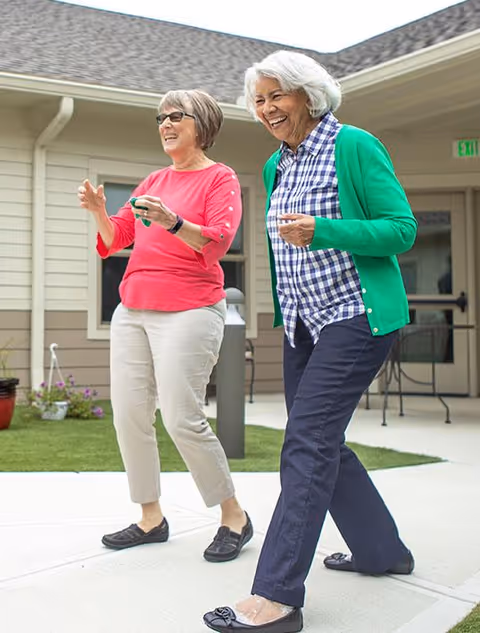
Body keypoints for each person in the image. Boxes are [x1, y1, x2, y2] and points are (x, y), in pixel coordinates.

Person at [203, 51, 417, 633]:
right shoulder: (276, 165)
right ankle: (381, 552)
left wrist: (326, 229)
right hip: (303, 324)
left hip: (356, 316)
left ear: (308, 95)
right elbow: (284, 250)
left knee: (305, 444)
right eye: (261, 99)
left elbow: (402, 229)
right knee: (323, 442)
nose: (267, 108)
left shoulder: (355, 146)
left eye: (279, 96)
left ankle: (277, 597)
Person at [78, 89, 253, 563]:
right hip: (133, 309)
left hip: (192, 307)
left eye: (177, 116)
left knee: (182, 416)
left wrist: (173, 221)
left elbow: (216, 241)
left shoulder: (221, 179)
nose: (166, 124)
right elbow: (119, 237)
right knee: (130, 414)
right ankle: (150, 518)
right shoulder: (153, 179)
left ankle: (233, 516)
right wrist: (98, 210)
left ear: (203, 124)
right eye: (161, 117)